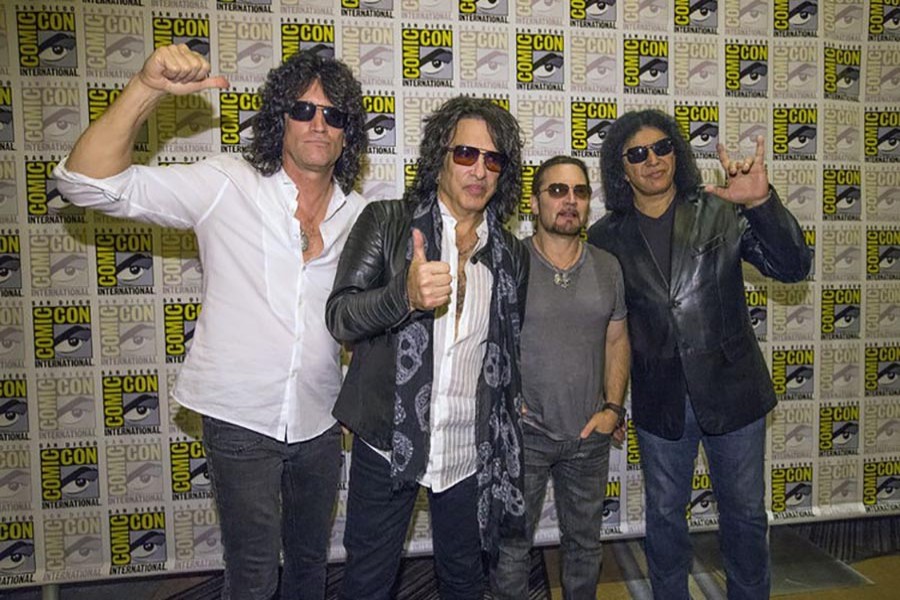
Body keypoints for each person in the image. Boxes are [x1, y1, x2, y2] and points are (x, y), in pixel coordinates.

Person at [53, 44, 368, 600]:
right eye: (303, 110)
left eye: (334, 115)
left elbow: (365, 317)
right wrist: (147, 87)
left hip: (319, 420)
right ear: (280, 119)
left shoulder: (358, 214)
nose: (319, 124)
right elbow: (85, 183)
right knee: (251, 572)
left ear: (347, 132)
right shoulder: (228, 183)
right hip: (239, 416)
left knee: (310, 566)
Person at [587, 109, 811, 599]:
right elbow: (604, 327)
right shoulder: (604, 237)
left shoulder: (720, 208)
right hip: (659, 400)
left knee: (746, 517)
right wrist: (607, 399)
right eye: (637, 154)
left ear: (678, 153)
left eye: (663, 147)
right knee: (665, 520)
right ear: (620, 168)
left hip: (735, 391)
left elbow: (794, 266)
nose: (653, 161)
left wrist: (763, 204)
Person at [325, 96, 528, 600]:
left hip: (467, 449)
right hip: (387, 439)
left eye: (493, 159)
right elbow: (341, 317)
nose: (479, 169)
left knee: (463, 580)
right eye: (465, 154)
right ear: (439, 156)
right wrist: (405, 296)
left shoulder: (510, 255)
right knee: (369, 579)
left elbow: (503, 350)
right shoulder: (389, 222)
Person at [491, 155, 630, 600]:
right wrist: (506, 402)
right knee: (511, 547)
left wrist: (612, 409)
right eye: (557, 190)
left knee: (585, 546)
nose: (569, 201)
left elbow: (617, 340)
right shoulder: (509, 263)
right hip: (524, 435)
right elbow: (484, 339)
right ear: (534, 203)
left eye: (580, 192)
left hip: (589, 437)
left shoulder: (608, 267)